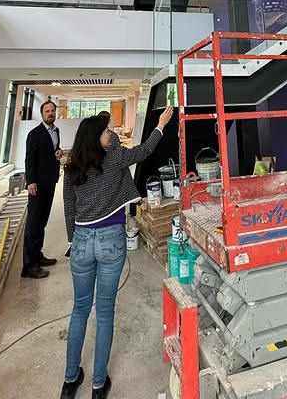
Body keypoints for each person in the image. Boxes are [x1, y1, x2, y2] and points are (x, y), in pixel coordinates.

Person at [60, 104, 174, 399]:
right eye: (106, 130)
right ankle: (98, 385)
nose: (110, 133)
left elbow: (69, 209)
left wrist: (74, 240)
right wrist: (161, 124)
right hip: (110, 240)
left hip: (81, 241)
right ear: (96, 137)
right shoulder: (115, 158)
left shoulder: (71, 168)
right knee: (105, 311)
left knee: (80, 309)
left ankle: (70, 381)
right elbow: (145, 150)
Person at [22, 100, 64, 279]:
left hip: (50, 182)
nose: (50, 113)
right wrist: (30, 181)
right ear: (42, 114)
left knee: (42, 222)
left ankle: (37, 257)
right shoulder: (34, 134)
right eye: (47, 111)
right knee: (33, 225)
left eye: (52, 110)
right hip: (37, 185)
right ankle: (28, 266)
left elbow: (51, 151)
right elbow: (29, 159)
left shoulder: (56, 131)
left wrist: (59, 151)